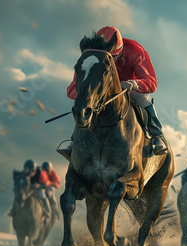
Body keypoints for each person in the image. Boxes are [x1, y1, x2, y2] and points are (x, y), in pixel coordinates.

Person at [59, 25, 167, 159]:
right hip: (103, 90)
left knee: (144, 98)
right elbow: (71, 91)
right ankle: (74, 142)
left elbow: (151, 82)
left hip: (128, 87)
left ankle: (157, 136)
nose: (112, 61)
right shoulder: (91, 57)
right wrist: (87, 92)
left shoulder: (136, 51)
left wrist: (133, 84)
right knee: (86, 103)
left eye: (114, 57)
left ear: (120, 50)